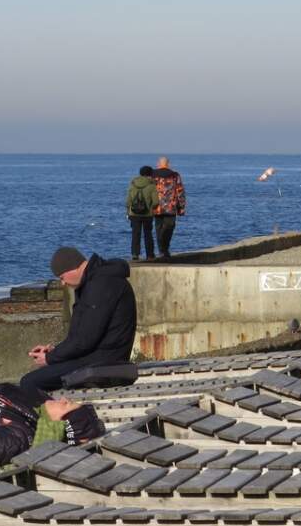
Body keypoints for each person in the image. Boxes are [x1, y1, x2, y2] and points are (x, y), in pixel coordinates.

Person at [20, 246, 136, 392]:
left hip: (103, 362)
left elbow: (85, 341)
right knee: (36, 378)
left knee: (30, 382)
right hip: (98, 357)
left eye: (62, 277)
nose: (62, 283)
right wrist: (54, 351)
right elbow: (83, 336)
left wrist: (50, 358)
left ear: (72, 268)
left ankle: (49, 415)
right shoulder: (94, 282)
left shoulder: (100, 286)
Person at [151, 156, 187, 259]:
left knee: (158, 228)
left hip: (156, 207)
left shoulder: (152, 175)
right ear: (168, 164)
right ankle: (165, 249)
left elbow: (149, 191)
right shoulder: (175, 175)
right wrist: (182, 206)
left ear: (159, 164)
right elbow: (180, 191)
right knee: (169, 228)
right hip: (171, 207)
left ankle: (161, 250)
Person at [126, 165, 160, 261]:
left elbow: (128, 201)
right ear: (150, 174)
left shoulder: (133, 184)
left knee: (135, 234)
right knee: (147, 234)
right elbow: (156, 202)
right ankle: (150, 255)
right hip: (147, 214)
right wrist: (151, 208)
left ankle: (135, 254)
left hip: (134, 214)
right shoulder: (152, 185)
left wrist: (128, 211)